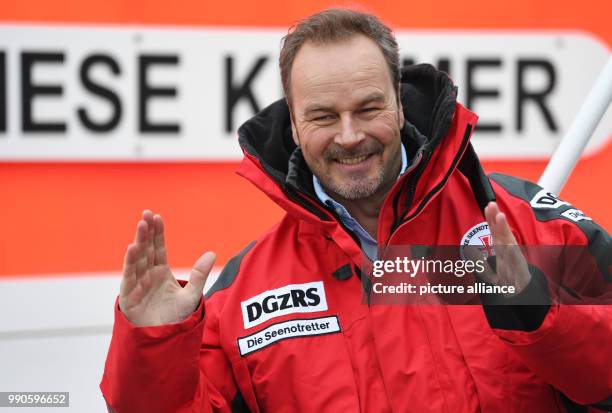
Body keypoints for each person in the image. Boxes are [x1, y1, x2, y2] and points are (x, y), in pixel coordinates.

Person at [100, 8, 612, 413]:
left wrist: (541, 315)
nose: (350, 136)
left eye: (368, 109)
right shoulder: (244, 294)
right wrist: (154, 349)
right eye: (324, 116)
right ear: (295, 128)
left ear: (399, 103)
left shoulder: (521, 223)